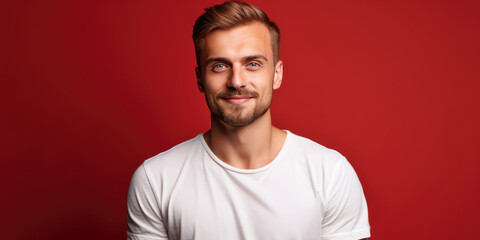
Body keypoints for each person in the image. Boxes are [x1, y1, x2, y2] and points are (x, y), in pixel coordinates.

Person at [127, 1, 370, 239]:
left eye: (253, 64)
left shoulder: (330, 173)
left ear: (276, 74)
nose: (236, 81)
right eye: (220, 66)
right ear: (200, 79)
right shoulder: (156, 180)